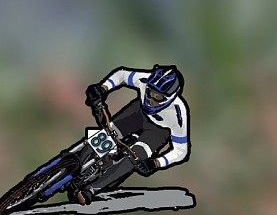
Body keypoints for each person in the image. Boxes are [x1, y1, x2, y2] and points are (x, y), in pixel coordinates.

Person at [71, 64, 189, 204]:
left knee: (134, 158)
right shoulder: (145, 79)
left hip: (158, 131)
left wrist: (156, 163)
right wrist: (103, 88)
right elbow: (121, 75)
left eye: (158, 97)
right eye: (150, 92)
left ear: (171, 97)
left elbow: (181, 150)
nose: (151, 98)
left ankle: (92, 189)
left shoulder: (178, 114)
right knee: (107, 136)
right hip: (138, 113)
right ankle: (76, 160)